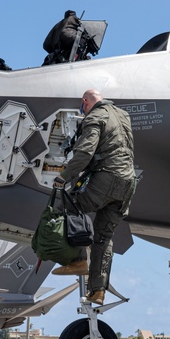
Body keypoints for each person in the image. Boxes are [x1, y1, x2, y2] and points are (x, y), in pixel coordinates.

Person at [52, 89, 136, 305]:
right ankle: (98, 291)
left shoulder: (95, 117)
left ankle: (78, 260)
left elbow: (85, 153)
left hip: (107, 179)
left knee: (69, 207)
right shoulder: (122, 115)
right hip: (128, 183)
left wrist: (63, 177)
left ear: (85, 102)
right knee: (104, 237)